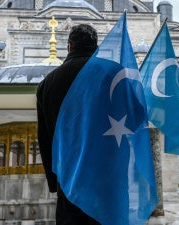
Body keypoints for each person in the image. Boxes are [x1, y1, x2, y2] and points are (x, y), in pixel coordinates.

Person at [36, 24, 101, 225]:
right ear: (96, 47)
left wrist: (53, 180)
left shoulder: (48, 83)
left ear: (69, 47)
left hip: (68, 177)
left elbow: (44, 136)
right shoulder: (112, 76)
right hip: (106, 176)